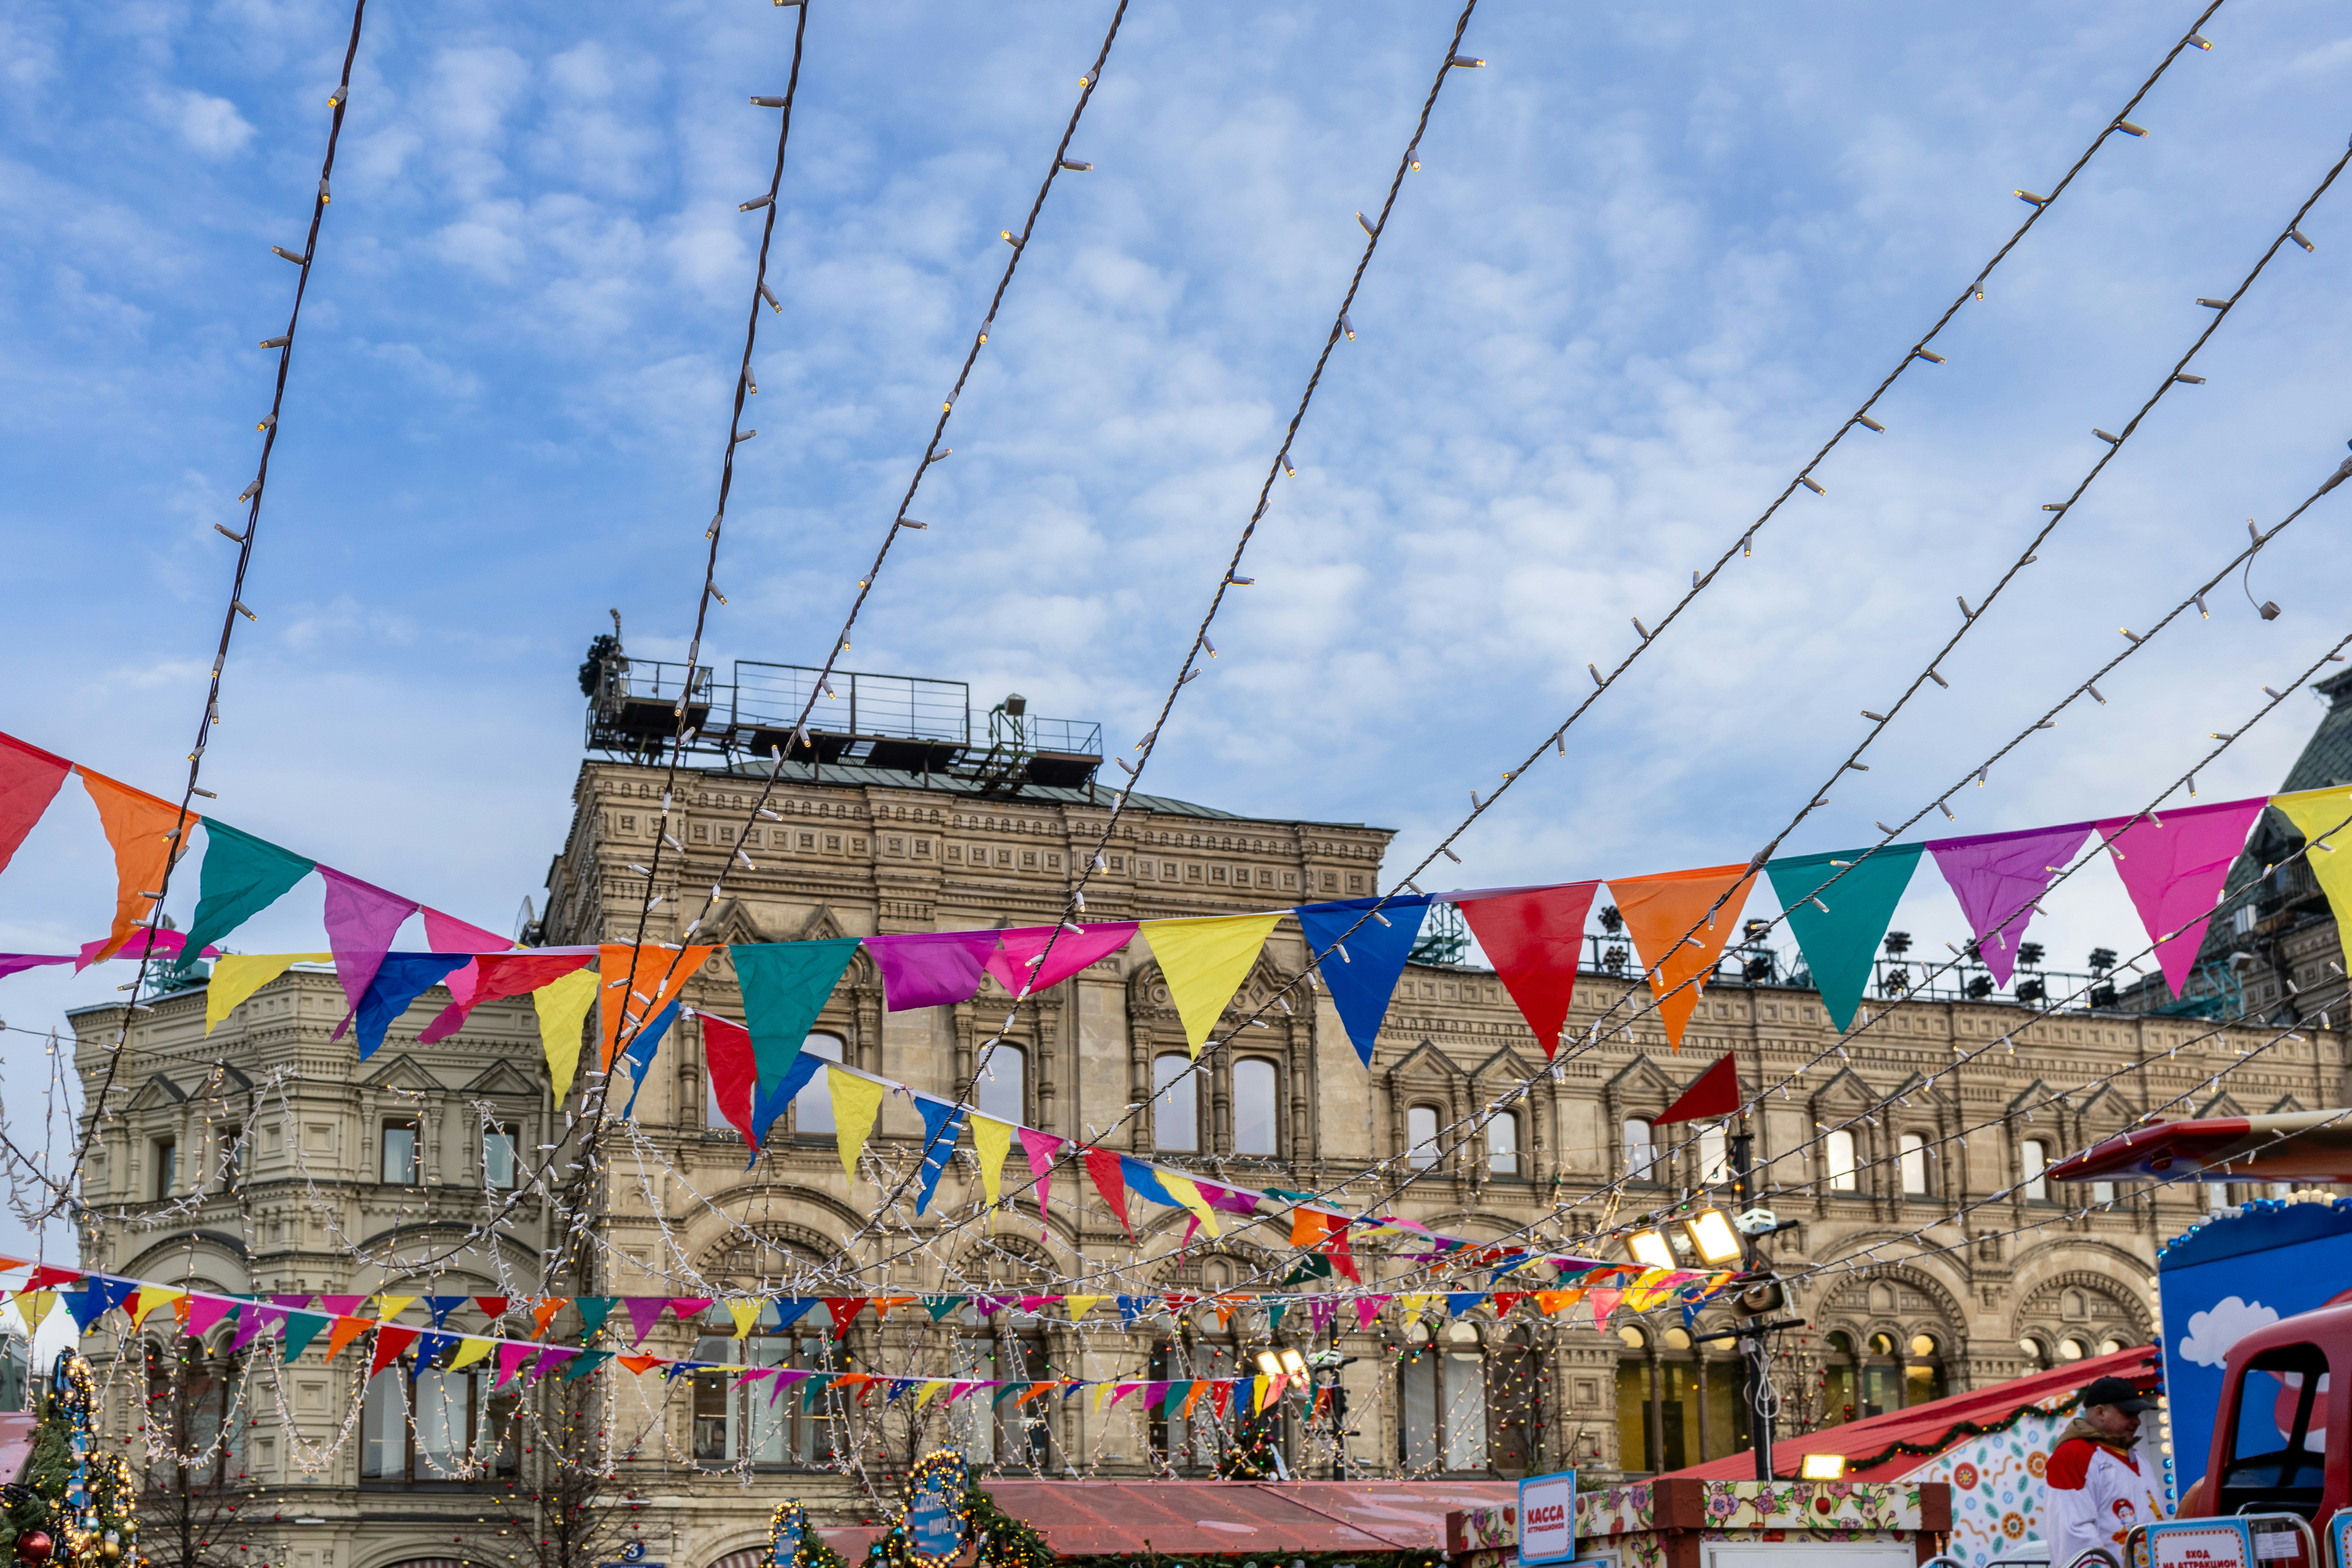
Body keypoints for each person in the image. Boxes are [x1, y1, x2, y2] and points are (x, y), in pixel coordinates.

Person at [2045, 1374, 2166, 1564]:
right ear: (2100, 1413)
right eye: (2129, 1414)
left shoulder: (2137, 1457)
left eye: (2138, 1415)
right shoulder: (2073, 1456)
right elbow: (2074, 1534)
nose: (2138, 1422)